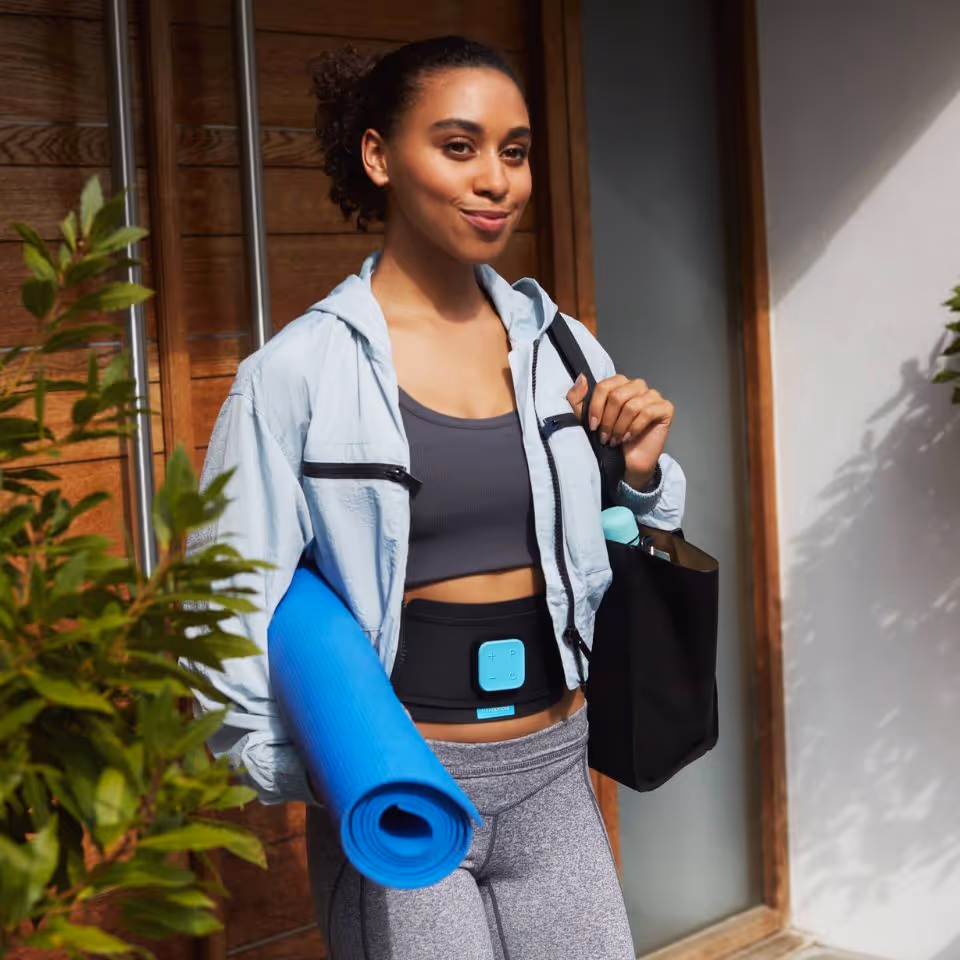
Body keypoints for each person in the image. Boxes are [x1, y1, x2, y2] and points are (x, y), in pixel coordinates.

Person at [187, 35, 685, 960]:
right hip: (406, 780)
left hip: (552, 773)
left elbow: (635, 535)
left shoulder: (563, 349)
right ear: (379, 156)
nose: (496, 178)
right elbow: (226, 600)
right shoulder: (297, 374)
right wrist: (327, 770)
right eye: (458, 147)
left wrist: (643, 469)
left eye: (515, 150)